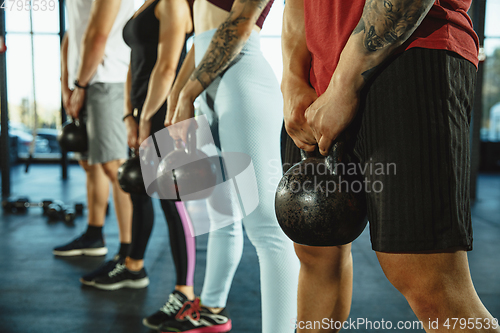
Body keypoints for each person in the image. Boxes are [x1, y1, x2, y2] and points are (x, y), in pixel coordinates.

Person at [282, 0, 500, 332]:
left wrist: (344, 84)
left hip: (410, 48)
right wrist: (292, 78)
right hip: (317, 81)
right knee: (316, 254)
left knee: (429, 283)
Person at [158, 0, 300, 332]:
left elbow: (240, 22)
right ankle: (209, 310)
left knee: (267, 227)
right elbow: (202, 37)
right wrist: (175, 97)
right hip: (205, 81)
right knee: (219, 215)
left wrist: (185, 95)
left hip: (240, 79)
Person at [79, 0, 197, 330]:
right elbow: (134, 64)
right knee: (139, 191)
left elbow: (167, 66)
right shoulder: (146, 4)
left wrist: (146, 118)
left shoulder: (173, 4)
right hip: (141, 111)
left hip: (165, 111)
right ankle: (133, 266)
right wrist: (129, 114)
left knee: (174, 205)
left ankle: (184, 293)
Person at [55, 0, 134, 265]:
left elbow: (99, 36)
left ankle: (128, 254)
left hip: (107, 79)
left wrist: (80, 84)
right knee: (90, 164)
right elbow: (73, 33)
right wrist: (66, 82)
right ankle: (94, 234)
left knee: (115, 167)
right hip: (84, 79)